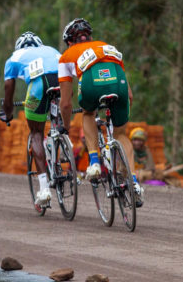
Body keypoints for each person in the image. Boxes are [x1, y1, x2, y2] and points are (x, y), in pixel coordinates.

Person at [57, 17, 143, 206]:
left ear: (70, 42)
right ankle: (134, 182)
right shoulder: (106, 46)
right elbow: (129, 95)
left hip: (91, 84)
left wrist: (65, 126)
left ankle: (94, 161)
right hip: (118, 82)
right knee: (121, 135)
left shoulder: (66, 56)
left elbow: (65, 104)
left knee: (88, 113)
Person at [0, 31, 61, 207]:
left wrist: (8, 110)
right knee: (58, 118)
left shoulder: (14, 57)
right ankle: (60, 137)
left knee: (36, 132)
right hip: (61, 80)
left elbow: (8, 86)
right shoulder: (51, 49)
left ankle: (43, 189)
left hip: (38, 84)